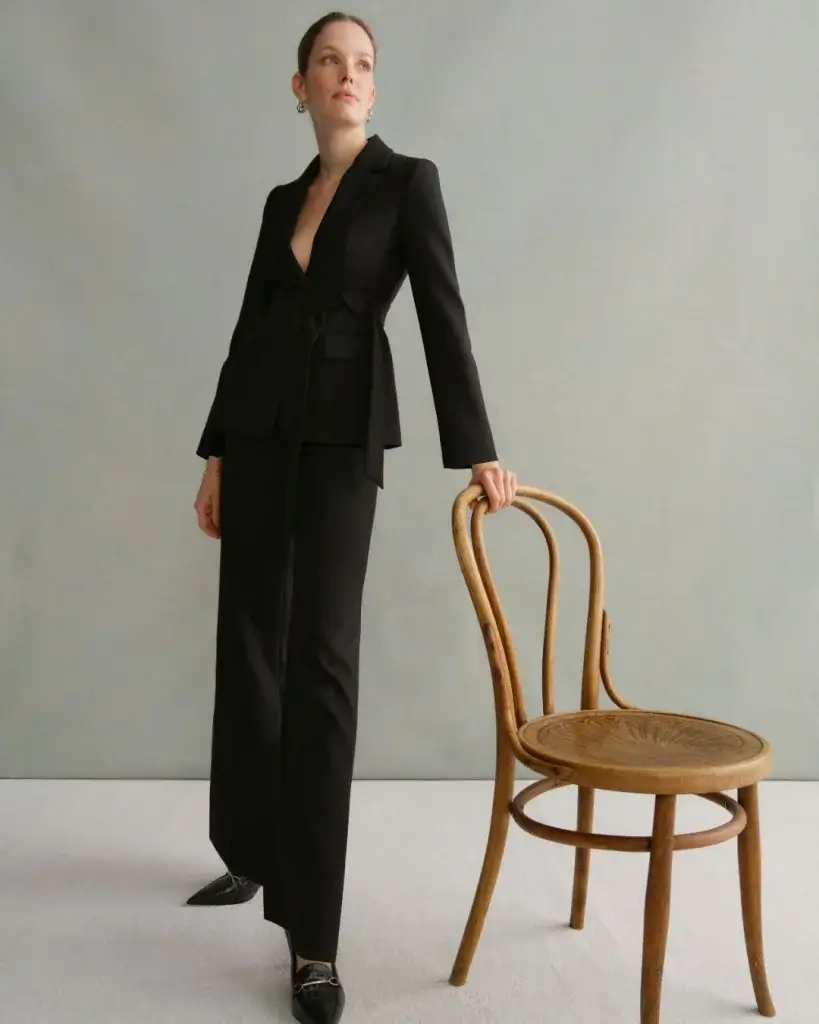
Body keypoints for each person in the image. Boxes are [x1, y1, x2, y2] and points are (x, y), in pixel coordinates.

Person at [188, 11, 517, 1023]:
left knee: (319, 665)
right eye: (328, 61)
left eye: (361, 63)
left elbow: (441, 313)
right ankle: (249, 852)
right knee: (248, 649)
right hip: (254, 439)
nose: (346, 74)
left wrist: (479, 446)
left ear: (373, 87)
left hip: (340, 442)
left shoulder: (405, 182)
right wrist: (211, 452)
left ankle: (315, 940)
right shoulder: (282, 197)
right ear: (300, 86)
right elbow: (249, 324)